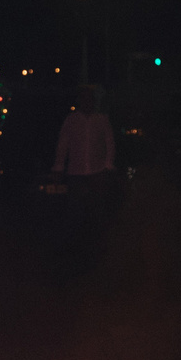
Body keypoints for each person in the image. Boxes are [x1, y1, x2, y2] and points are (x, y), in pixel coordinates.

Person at [51, 88, 117, 248]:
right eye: (84, 99)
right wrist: (59, 166)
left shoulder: (102, 120)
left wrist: (108, 166)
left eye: (90, 99)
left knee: (97, 210)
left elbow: (109, 143)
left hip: (97, 171)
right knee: (74, 210)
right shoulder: (72, 120)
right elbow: (63, 144)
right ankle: (73, 245)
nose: (87, 102)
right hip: (76, 171)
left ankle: (98, 244)